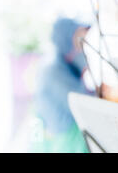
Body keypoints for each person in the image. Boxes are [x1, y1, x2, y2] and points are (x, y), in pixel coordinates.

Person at [34, 17, 93, 152]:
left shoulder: (65, 63)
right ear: (67, 40)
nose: (83, 46)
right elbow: (81, 103)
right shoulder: (53, 69)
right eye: (79, 41)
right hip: (69, 138)